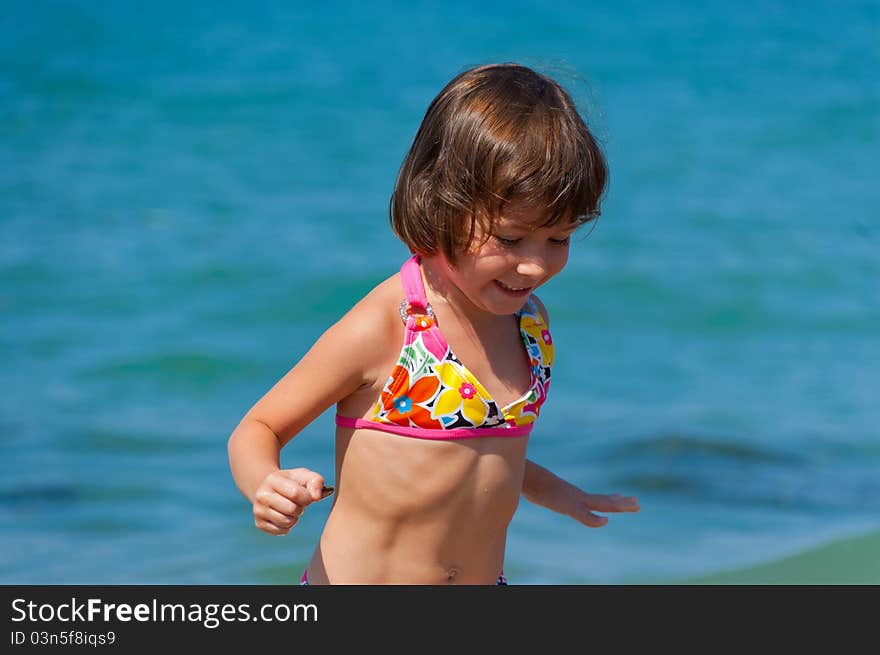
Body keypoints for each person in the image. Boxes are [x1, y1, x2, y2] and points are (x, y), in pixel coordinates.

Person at [227, 62, 640, 585]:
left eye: (558, 239)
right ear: (443, 204)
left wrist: (562, 495)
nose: (535, 265)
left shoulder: (530, 325)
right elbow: (256, 430)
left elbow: (486, 456)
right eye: (510, 240)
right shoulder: (388, 326)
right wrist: (266, 484)